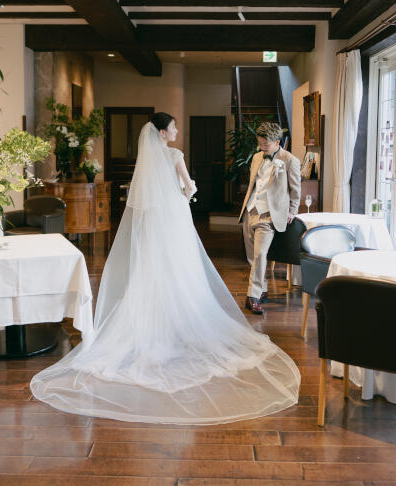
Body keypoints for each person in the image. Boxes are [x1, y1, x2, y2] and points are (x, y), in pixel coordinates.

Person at [30, 113, 300, 425]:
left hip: (155, 227)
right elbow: (189, 188)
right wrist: (186, 193)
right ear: (162, 132)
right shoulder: (175, 155)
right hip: (175, 223)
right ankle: (182, 324)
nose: (176, 130)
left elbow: (141, 200)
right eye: (172, 127)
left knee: (153, 273)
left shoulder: (146, 162)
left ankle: (151, 325)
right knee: (182, 272)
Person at [239, 122, 301, 315]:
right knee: (252, 257)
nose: (262, 147)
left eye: (266, 144)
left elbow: (295, 189)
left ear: (277, 142)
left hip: (269, 215)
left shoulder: (290, 160)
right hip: (250, 211)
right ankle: (262, 289)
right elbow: (255, 183)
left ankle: (253, 296)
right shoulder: (257, 157)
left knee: (260, 256)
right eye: (260, 143)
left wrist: (292, 210)